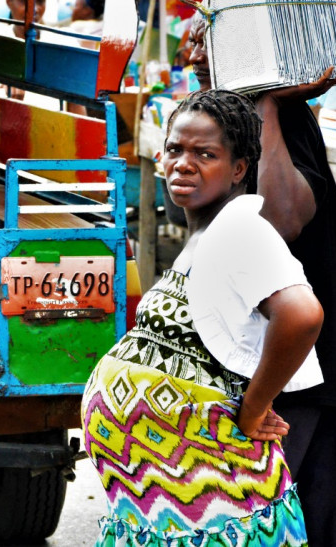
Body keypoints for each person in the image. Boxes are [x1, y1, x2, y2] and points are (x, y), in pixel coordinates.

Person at [82, 88, 322, 545]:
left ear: (238, 169)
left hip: (208, 495)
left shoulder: (240, 226)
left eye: (204, 154)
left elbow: (302, 314)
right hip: (166, 497)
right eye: (175, 149)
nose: (183, 163)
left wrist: (251, 409)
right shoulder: (206, 235)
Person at [187, 11, 336, 546]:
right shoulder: (224, 115)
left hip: (280, 370)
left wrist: (269, 105)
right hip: (273, 368)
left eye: (207, 40)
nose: (193, 51)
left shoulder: (276, 118)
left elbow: (279, 220)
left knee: (268, 513)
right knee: (310, 513)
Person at [0, 0, 86, 114]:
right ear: (9, 2)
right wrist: (4, 94)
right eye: (24, 1)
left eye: (41, 1)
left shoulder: (64, 42)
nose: (34, 9)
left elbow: (77, 110)